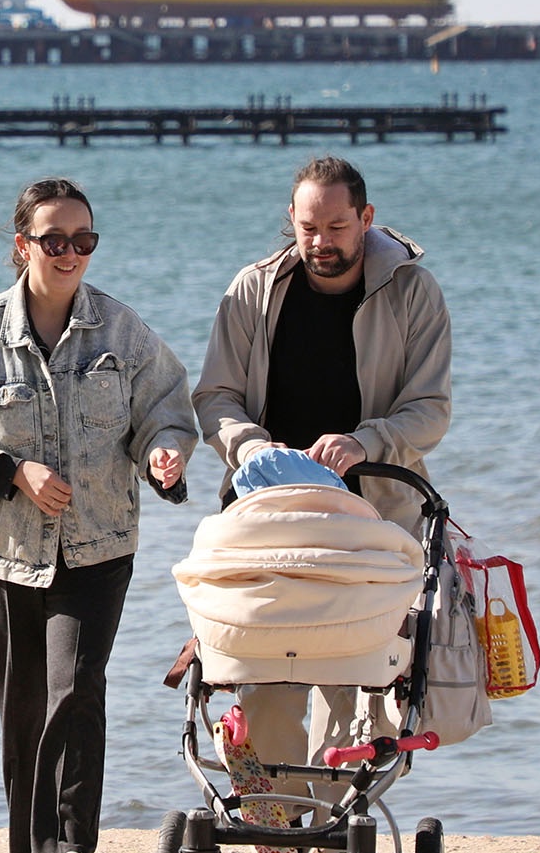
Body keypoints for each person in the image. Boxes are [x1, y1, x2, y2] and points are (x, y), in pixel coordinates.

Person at [0, 177, 198, 853]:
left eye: (85, 240)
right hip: (3, 553)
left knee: (79, 688)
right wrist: (9, 470)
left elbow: (167, 406)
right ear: (22, 246)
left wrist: (165, 452)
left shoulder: (123, 333)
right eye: (55, 239)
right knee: (26, 703)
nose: (71, 253)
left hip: (100, 546)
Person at [192, 155, 452, 796]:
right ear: (291, 219)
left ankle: (328, 849)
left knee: (353, 683)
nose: (320, 242)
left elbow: (431, 410)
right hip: (268, 515)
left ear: (366, 219)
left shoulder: (414, 293)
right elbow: (215, 398)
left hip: (374, 519)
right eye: (308, 227)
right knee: (263, 678)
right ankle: (278, 839)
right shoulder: (252, 290)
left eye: (336, 227)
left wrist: (368, 442)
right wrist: (250, 446)